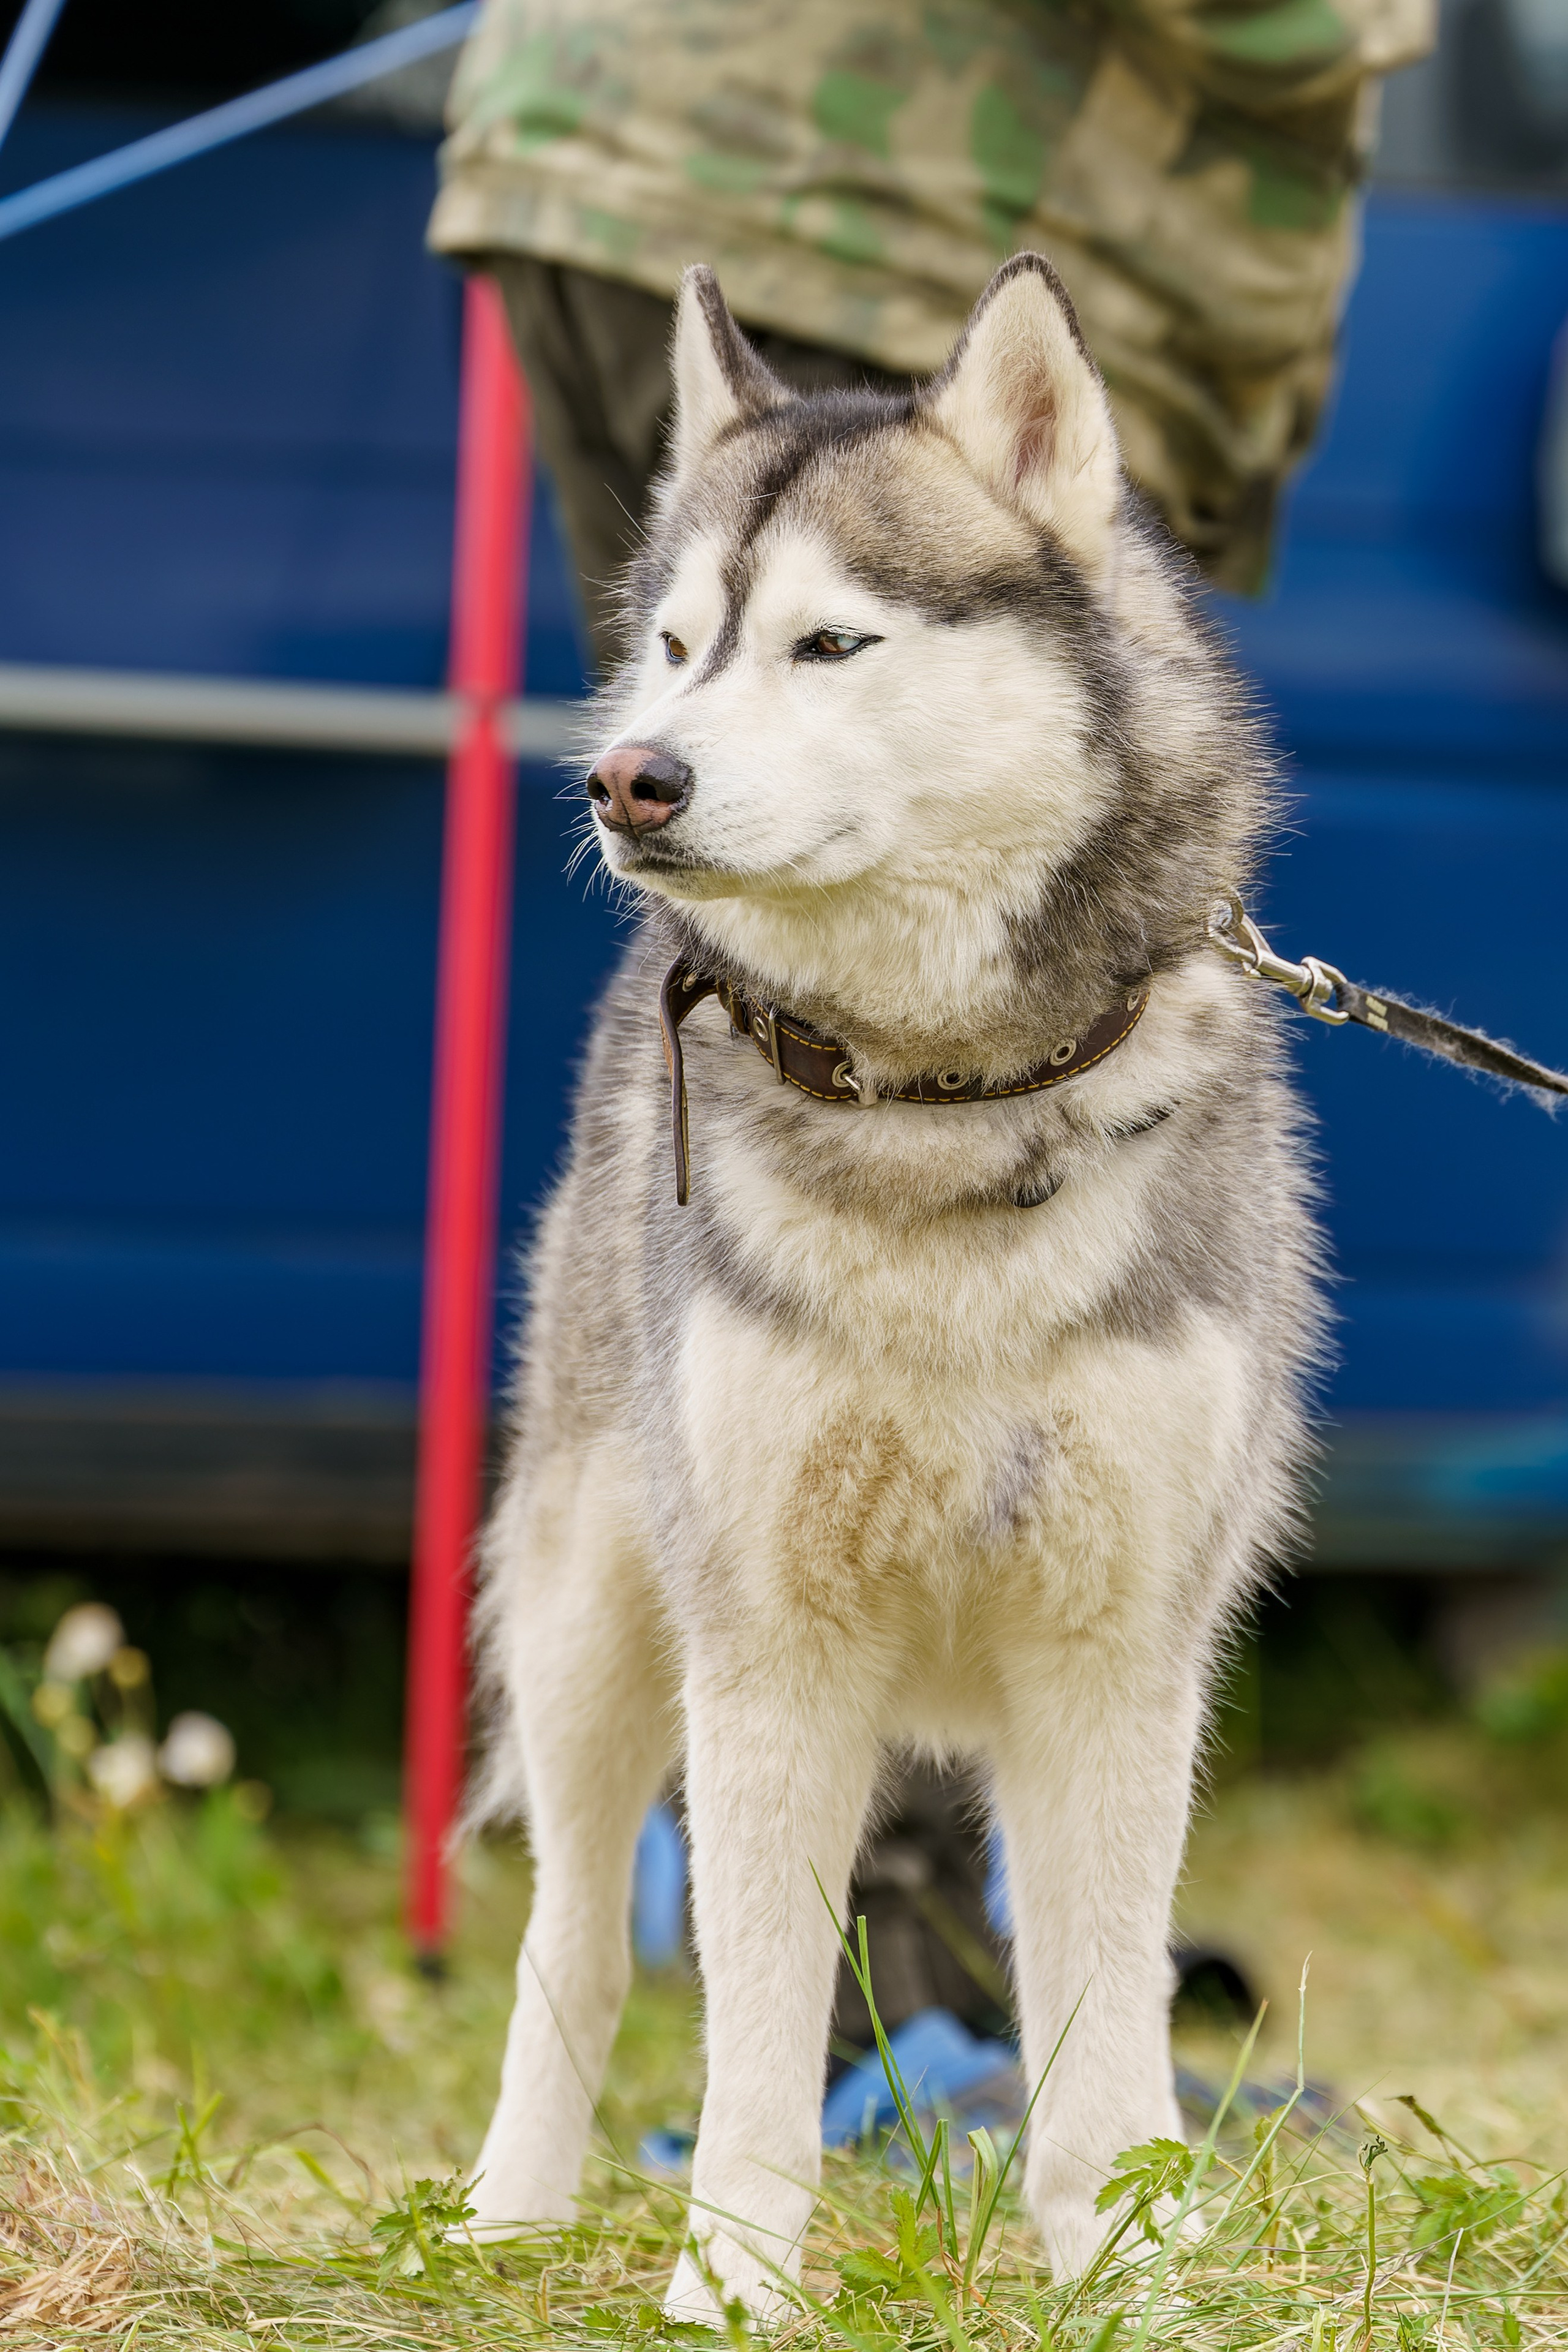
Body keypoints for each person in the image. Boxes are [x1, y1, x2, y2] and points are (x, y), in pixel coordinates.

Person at [426, 0, 1432, 2039]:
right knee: (785, 968)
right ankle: (870, 2007)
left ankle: (974, 1999)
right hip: (848, 166)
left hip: (826, 175)